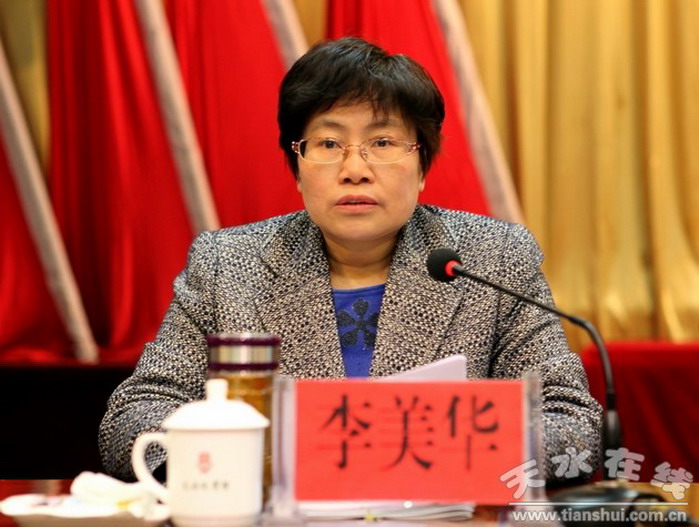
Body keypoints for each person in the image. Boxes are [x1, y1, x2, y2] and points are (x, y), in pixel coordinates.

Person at [99, 37, 601, 482]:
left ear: (422, 166)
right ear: (297, 168)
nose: (354, 168)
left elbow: (572, 424)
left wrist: (434, 452)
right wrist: (245, 462)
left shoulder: (494, 258)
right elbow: (133, 417)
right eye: (329, 143)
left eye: (382, 142)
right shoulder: (226, 265)